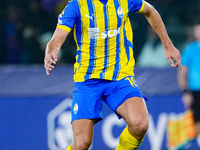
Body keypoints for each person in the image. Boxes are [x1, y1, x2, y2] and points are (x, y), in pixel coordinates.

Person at [44, 0, 182, 149]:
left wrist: (167, 45)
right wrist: (51, 52)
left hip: (120, 77)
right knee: (82, 144)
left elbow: (150, 11)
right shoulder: (76, 5)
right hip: (88, 80)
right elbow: (57, 38)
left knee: (140, 124)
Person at [178, 22, 200, 140]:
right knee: (196, 121)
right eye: (197, 30)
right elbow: (182, 72)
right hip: (196, 90)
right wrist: (185, 92)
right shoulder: (190, 49)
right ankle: (181, 142)